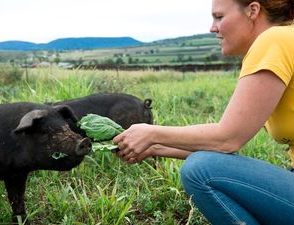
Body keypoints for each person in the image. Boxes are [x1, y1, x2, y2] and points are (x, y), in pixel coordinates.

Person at [113, 0, 294, 224]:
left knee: (201, 171)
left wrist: (150, 134)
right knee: (206, 165)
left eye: (219, 17)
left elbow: (228, 139)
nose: (212, 27)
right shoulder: (286, 38)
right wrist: (154, 147)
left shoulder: (275, 40)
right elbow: (224, 148)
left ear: (253, 10)